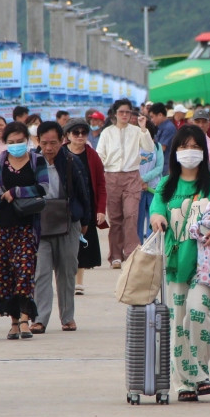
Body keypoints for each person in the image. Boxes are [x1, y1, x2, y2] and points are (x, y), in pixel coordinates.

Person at [149, 125, 210, 402]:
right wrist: (157, 219)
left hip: (206, 266)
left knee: (197, 316)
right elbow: (155, 211)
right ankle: (183, 383)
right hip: (177, 264)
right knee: (177, 323)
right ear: (175, 151)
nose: (190, 152)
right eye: (184, 146)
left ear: (205, 151)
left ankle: (200, 373)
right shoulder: (167, 185)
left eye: (196, 147)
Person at [28, 121, 92, 334]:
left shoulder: (71, 161)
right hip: (40, 223)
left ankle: (68, 317)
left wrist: (84, 221)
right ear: (37, 141)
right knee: (41, 272)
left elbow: (84, 192)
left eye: (53, 143)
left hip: (68, 222)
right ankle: (39, 319)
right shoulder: (31, 162)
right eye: (44, 143)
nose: (48, 148)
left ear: (62, 140)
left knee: (67, 271)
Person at [0, 121, 40, 340]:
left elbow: (43, 187)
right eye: (11, 142)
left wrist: (16, 191)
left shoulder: (37, 161)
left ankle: (26, 319)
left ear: (27, 140)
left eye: (20, 141)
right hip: (1, 227)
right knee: (4, 276)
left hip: (26, 226)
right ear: (4, 142)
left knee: (25, 272)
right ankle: (14, 322)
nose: (16, 145)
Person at [98, 98, 156, 268]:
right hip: (111, 176)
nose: (125, 115)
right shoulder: (107, 132)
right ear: (115, 114)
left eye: (128, 112)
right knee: (115, 218)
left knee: (131, 214)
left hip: (132, 176)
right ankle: (115, 255)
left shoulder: (137, 131)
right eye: (121, 112)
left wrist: (144, 128)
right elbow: (100, 153)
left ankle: (131, 252)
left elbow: (150, 148)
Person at [64, 118, 107, 295]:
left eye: (84, 132)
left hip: (86, 206)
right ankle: (66, 280)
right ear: (68, 135)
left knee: (82, 244)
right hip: (63, 206)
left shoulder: (92, 155)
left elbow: (101, 185)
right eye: (76, 133)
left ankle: (78, 282)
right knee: (65, 246)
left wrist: (101, 210)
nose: (80, 136)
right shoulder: (60, 153)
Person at [137, 126, 165, 242]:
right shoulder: (134, 147)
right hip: (137, 188)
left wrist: (143, 179)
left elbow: (159, 167)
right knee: (137, 220)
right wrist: (139, 181)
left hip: (153, 188)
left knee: (153, 219)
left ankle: (151, 247)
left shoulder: (157, 147)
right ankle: (137, 247)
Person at [147, 102, 177, 173]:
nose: (151, 120)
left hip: (166, 166)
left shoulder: (168, 128)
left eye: (152, 117)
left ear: (160, 115)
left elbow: (162, 148)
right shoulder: (160, 127)